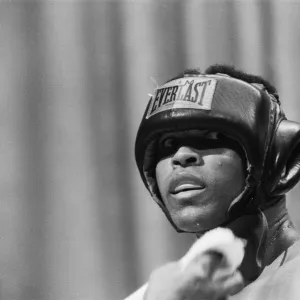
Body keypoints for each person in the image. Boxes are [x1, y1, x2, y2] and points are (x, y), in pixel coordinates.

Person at [134, 65, 300, 299]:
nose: (180, 155)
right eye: (168, 143)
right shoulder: (154, 293)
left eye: (215, 137)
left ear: (280, 162)